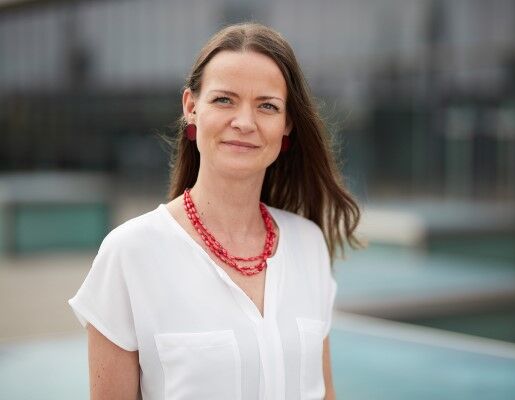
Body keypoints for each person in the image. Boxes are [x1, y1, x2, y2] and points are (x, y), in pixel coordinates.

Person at [68, 22, 361, 400]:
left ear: (287, 124)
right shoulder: (130, 254)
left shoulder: (309, 243)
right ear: (191, 107)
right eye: (224, 100)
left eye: (267, 106)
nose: (244, 123)